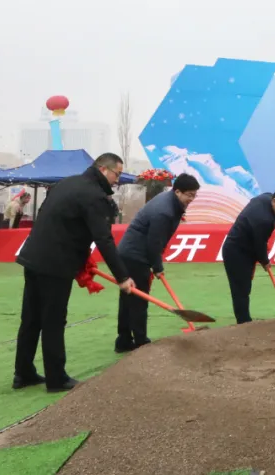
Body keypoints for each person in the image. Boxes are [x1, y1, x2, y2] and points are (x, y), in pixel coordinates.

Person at [12, 153, 135, 392]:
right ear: (103, 169)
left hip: (34, 257)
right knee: (53, 320)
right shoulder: (94, 196)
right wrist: (122, 276)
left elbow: (55, 217)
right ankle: (56, 379)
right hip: (56, 264)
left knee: (31, 319)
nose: (117, 180)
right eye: (117, 174)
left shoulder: (67, 183)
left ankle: (23, 373)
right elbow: (103, 239)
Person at [114, 173, 200, 352]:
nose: (191, 199)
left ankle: (123, 340)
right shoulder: (164, 211)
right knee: (138, 300)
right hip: (135, 256)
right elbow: (154, 242)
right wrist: (157, 267)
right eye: (189, 195)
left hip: (130, 252)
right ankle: (140, 341)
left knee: (128, 298)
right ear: (178, 192)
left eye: (194, 195)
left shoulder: (170, 202)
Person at [221, 187, 275, 324]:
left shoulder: (265, 197)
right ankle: (244, 322)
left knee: (245, 287)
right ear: (274, 201)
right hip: (236, 252)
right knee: (241, 290)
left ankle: (244, 320)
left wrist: (262, 254)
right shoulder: (265, 220)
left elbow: (259, 240)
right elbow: (259, 244)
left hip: (247, 249)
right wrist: (265, 261)